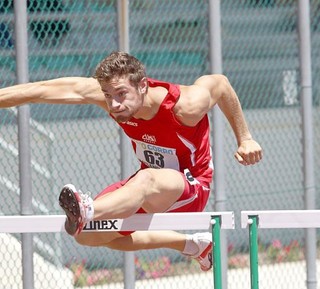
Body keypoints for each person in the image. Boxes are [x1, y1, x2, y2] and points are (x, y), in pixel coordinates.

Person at [0, 51, 262, 271]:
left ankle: (87, 210)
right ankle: (191, 245)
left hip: (191, 188)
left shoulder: (185, 106)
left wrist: (245, 138)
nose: (113, 105)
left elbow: (221, 83)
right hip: (147, 186)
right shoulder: (111, 97)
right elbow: (40, 90)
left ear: (143, 86)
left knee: (146, 179)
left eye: (121, 95)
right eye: (107, 95)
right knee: (86, 235)